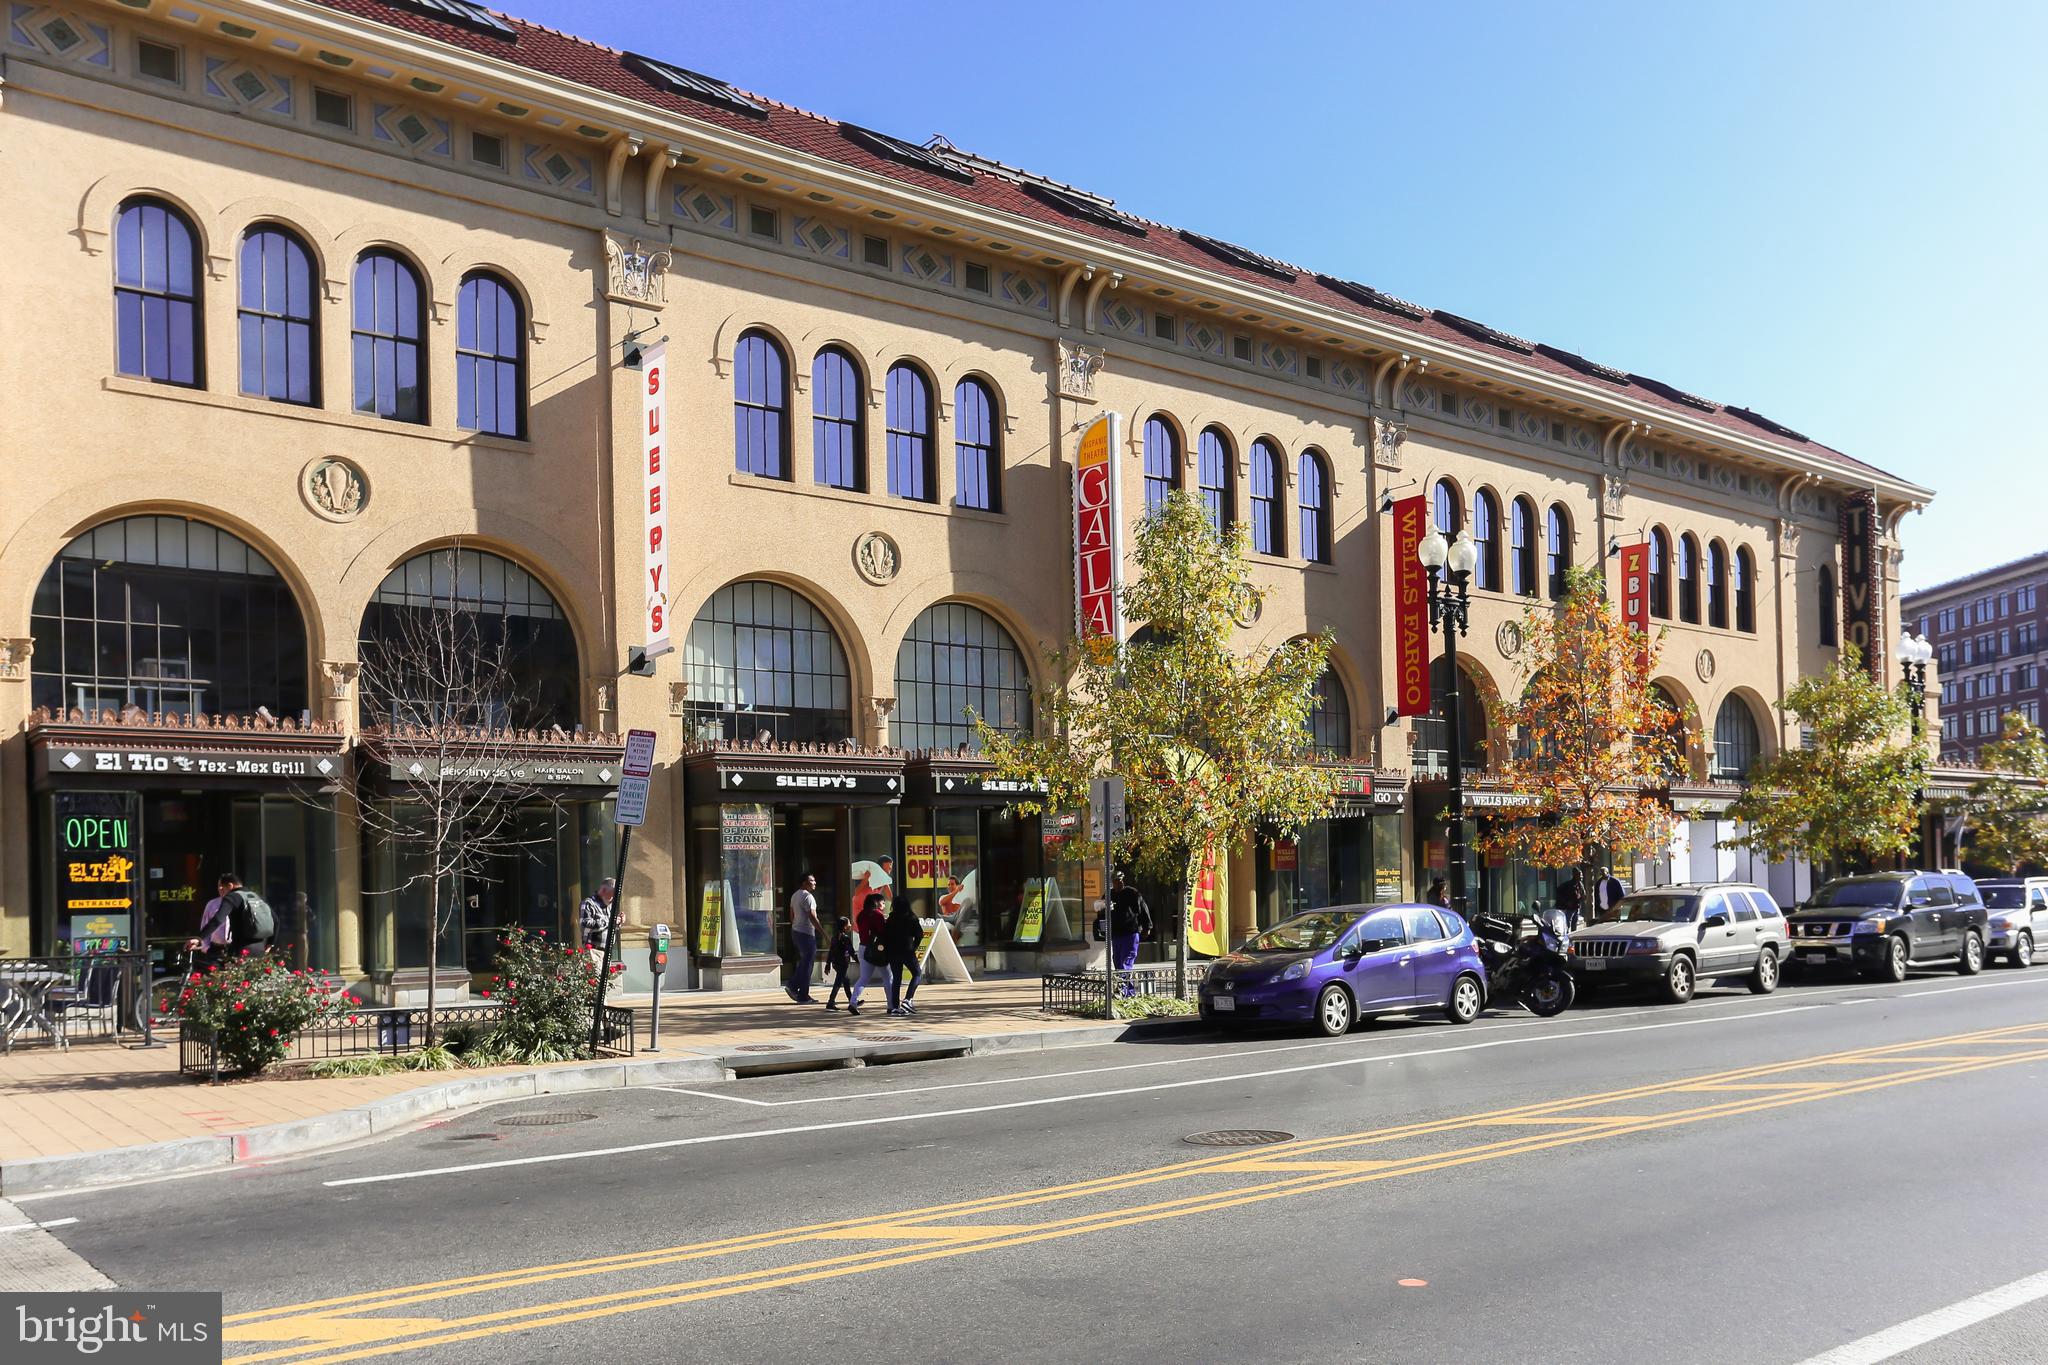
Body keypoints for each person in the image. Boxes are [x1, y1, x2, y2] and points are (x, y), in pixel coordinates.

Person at [846, 892, 891, 1017]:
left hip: (863, 947)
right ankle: (891, 1005)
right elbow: (883, 931)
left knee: (864, 978)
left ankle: (853, 1002)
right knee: (887, 977)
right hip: (878, 949)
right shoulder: (877, 915)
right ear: (875, 903)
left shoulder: (860, 915)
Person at [1106, 872, 1151, 996]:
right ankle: (1127, 991)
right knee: (1118, 961)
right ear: (1112, 882)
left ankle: (1124, 991)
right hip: (1116, 934)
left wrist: (1147, 927)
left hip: (1130, 933)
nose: (1118, 883)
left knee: (1126, 961)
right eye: (1116, 881)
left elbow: (1143, 909)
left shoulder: (1132, 893)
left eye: (1120, 880)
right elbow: (1101, 912)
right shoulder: (1109, 894)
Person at [883, 897, 925, 1017]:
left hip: (892, 952)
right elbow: (919, 934)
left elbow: (885, 936)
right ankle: (908, 999)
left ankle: (895, 1007)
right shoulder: (911, 917)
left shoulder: (891, 918)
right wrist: (914, 947)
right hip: (907, 950)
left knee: (897, 978)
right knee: (917, 973)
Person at [786, 874, 820, 1004]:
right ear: (804, 883)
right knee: (807, 964)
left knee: (805, 962)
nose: (814, 882)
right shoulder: (808, 896)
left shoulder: (795, 896)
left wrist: (794, 927)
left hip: (797, 932)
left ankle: (796, 987)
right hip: (806, 933)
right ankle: (801, 993)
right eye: (811, 880)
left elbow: (791, 915)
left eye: (814, 880)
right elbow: (812, 916)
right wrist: (822, 932)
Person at [188, 881, 234, 969]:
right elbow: (205, 924)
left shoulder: (238, 903)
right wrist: (206, 948)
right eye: (219, 886)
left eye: (223, 886)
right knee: (213, 978)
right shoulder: (212, 904)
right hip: (216, 948)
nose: (220, 888)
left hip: (233, 948)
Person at [579, 878, 616, 980]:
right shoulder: (589, 903)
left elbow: (608, 927)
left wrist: (618, 922)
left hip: (606, 952)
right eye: (613, 893)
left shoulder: (610, 905)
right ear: (603, 890)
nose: (614, 897)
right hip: (593, 951)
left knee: (604, 985)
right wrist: (611, 921)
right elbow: (585, 925)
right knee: (596, 983)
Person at [822, 916, 857, 1012]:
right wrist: (858, 961)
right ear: (845, 927)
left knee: (845, 981)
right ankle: (831, 1002)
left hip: (836, 963)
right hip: (843, 963)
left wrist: (828, 964)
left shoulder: (834, 938)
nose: (850, 925)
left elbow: (831, 952)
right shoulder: (845, 938)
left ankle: (852, 1000)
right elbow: (851, 952)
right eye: (849, 924)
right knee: (838, 982)